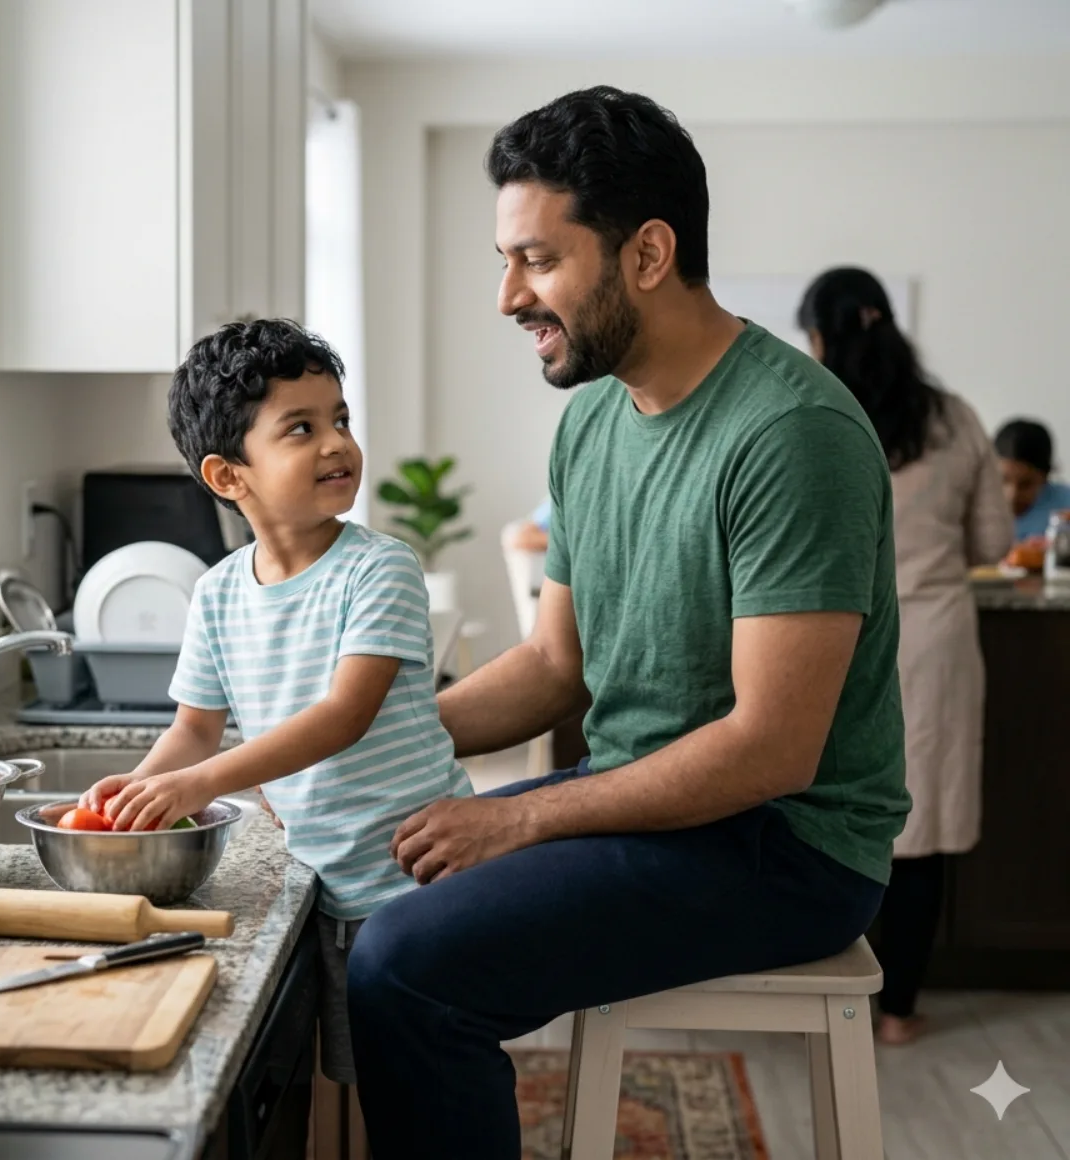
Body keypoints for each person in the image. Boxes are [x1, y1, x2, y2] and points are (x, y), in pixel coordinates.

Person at [344, 87, 910, 1158]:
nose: (509, 294)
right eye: (506, 260)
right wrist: (367, 728)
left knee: (404, 963)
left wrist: (513, 818)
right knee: (371, 869)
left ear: (647, 252)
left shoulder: (793, 434)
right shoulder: (595, 419)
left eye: (538, 260)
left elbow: (772, 749)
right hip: (662, 808)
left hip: (788, 847)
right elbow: (557, 665)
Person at [79, 319, 472, 1091]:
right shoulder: (219, 593)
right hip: (313, 879)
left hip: (412, 876)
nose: (336, 443)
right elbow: (194, 728)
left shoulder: (380, 569)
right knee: (343, 1084)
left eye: (340, 420)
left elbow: (342, 716)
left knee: (419, 1085)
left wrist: (195, 787)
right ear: (229, 477)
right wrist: (136, 791)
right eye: (302, 427)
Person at [799, 267, 1013, 1045]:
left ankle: (819, 998)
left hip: (826, 635)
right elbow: (993, 541)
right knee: (920, 824)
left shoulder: (809, 413)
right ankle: (897, 1014)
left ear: (819, 336)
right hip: (933, 641)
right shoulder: (955, 419)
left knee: (820, 807)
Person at [994, 418, 1070, 543]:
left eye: (1026, 484)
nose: (1012, 495)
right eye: (1003, 480)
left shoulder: (1065, 505)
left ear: (1045, 478)